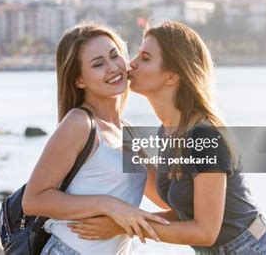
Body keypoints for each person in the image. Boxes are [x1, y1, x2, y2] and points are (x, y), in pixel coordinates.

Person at [69, 22, 266, 254]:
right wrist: (124, 153)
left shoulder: (203, 136)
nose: (131, 63)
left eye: (145, 58)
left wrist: (124, 227)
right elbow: (180, 208)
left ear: (171, 76)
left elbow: (205, 232)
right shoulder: (169, 131)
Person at [22, 23, 170, 255]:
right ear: (79, 80)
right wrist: (108, 205)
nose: (113, 67)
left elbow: (166, 199)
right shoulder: (79, 123)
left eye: (115, 55)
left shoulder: (128, 134)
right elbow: (33, 200)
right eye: (98, 64)